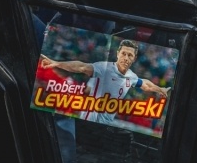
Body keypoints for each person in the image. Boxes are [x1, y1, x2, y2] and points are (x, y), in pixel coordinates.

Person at [40, 39, 170, 125]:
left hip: (107, 125)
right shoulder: (104, 68)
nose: (126, 58)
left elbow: (146, 84)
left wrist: (160, 90)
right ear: (118, 54)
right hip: (89, 122)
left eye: (130, 55)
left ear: (134, 59)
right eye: (123, 53)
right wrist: (57, 63)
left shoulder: (132, 76)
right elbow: (81, 67)